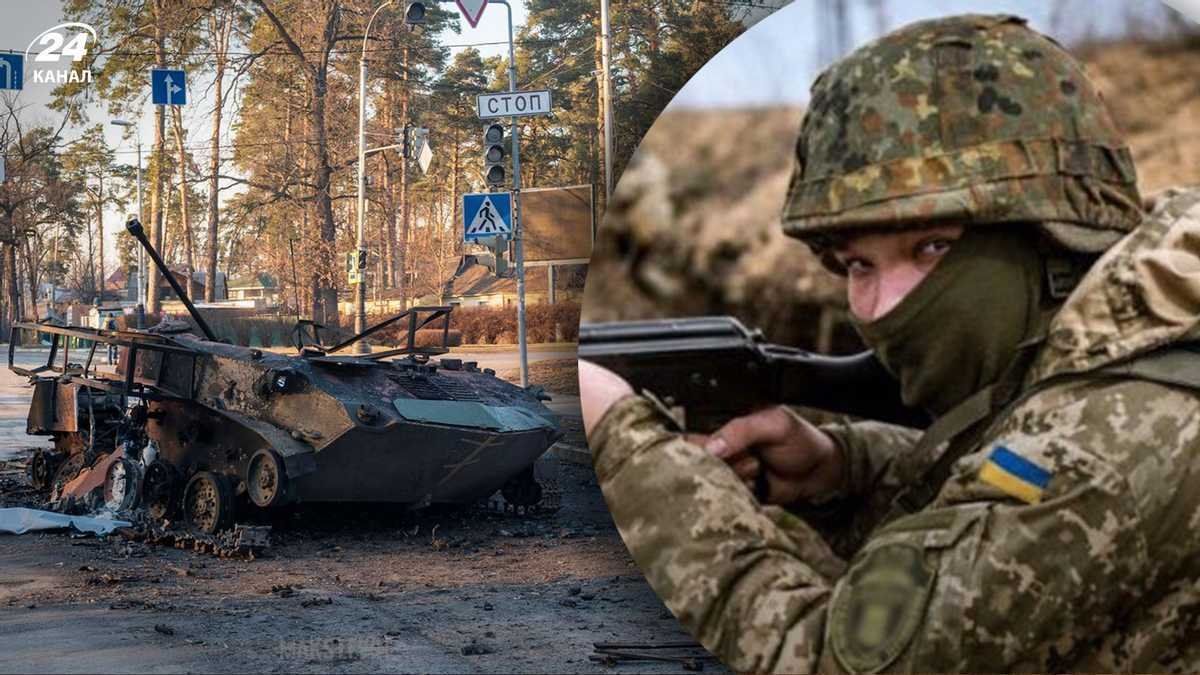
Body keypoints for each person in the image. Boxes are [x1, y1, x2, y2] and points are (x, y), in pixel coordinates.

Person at [580, 14, 1200, 673]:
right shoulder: (1131, 342)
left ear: (1055, 240)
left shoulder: (1104, 445)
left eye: (930, 248)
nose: (882, 307)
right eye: (856, 265)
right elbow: (994, 494)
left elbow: (825, 657)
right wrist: (845, 471)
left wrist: (634, 456)